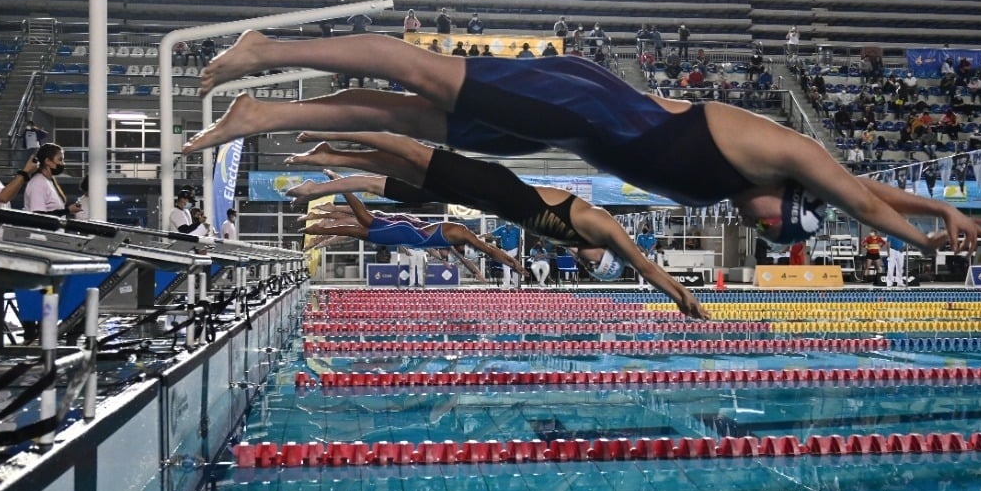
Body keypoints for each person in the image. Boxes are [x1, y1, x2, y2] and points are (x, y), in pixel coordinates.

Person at [185, 31, 981, 256]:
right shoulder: (788, 152)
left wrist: (941, 204)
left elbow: (865, 192)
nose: (758, 225)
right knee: (421, 76)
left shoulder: (748, 183)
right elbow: (860, 198)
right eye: (774, 225)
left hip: (562, 126)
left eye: (764, 235)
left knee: (409, 119)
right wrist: (930, 238)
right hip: (577, 99)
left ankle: (263, 114)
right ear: (792, 201)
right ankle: (270, 50)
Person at [279, 130, 707, 318]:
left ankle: (329, 160)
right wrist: (681, 296)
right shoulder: (601, 224)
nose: (589, 266)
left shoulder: (571, 242)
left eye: (591, 271)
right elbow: (647, 267)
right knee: (414, 155)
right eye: (596, 266)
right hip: (493, 185)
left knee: (406, 188)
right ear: (607, 255)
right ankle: (331, 140)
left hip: (486, 197)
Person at [301, 186, 523, 275]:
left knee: (359, 224)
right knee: (359, 224)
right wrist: (512, 263)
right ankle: (334, 200)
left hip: (406, 229)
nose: (458, 254)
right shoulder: (460, 234)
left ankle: (322, 221)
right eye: (462, 251)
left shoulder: (450, 240)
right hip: (406, 230)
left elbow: (480, 254)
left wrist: (513, 264)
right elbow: (488, 251)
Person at [24, 142, 81, 217]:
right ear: (48, 161)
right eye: (60, 160)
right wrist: (68, 210)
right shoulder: (38, 183)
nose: (62, 163)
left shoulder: (49, 181)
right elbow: (38, 216)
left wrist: (68, 210)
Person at [491, 220, 522, 288]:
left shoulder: (517, 229)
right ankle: (507, 284)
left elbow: (520, 241)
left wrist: (519, 252)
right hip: (505, 251)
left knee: (515, 267)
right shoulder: (502, 228)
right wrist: (481, 236)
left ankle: (516, 284)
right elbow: (492, 234)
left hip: (514, 250)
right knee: (505, 266)